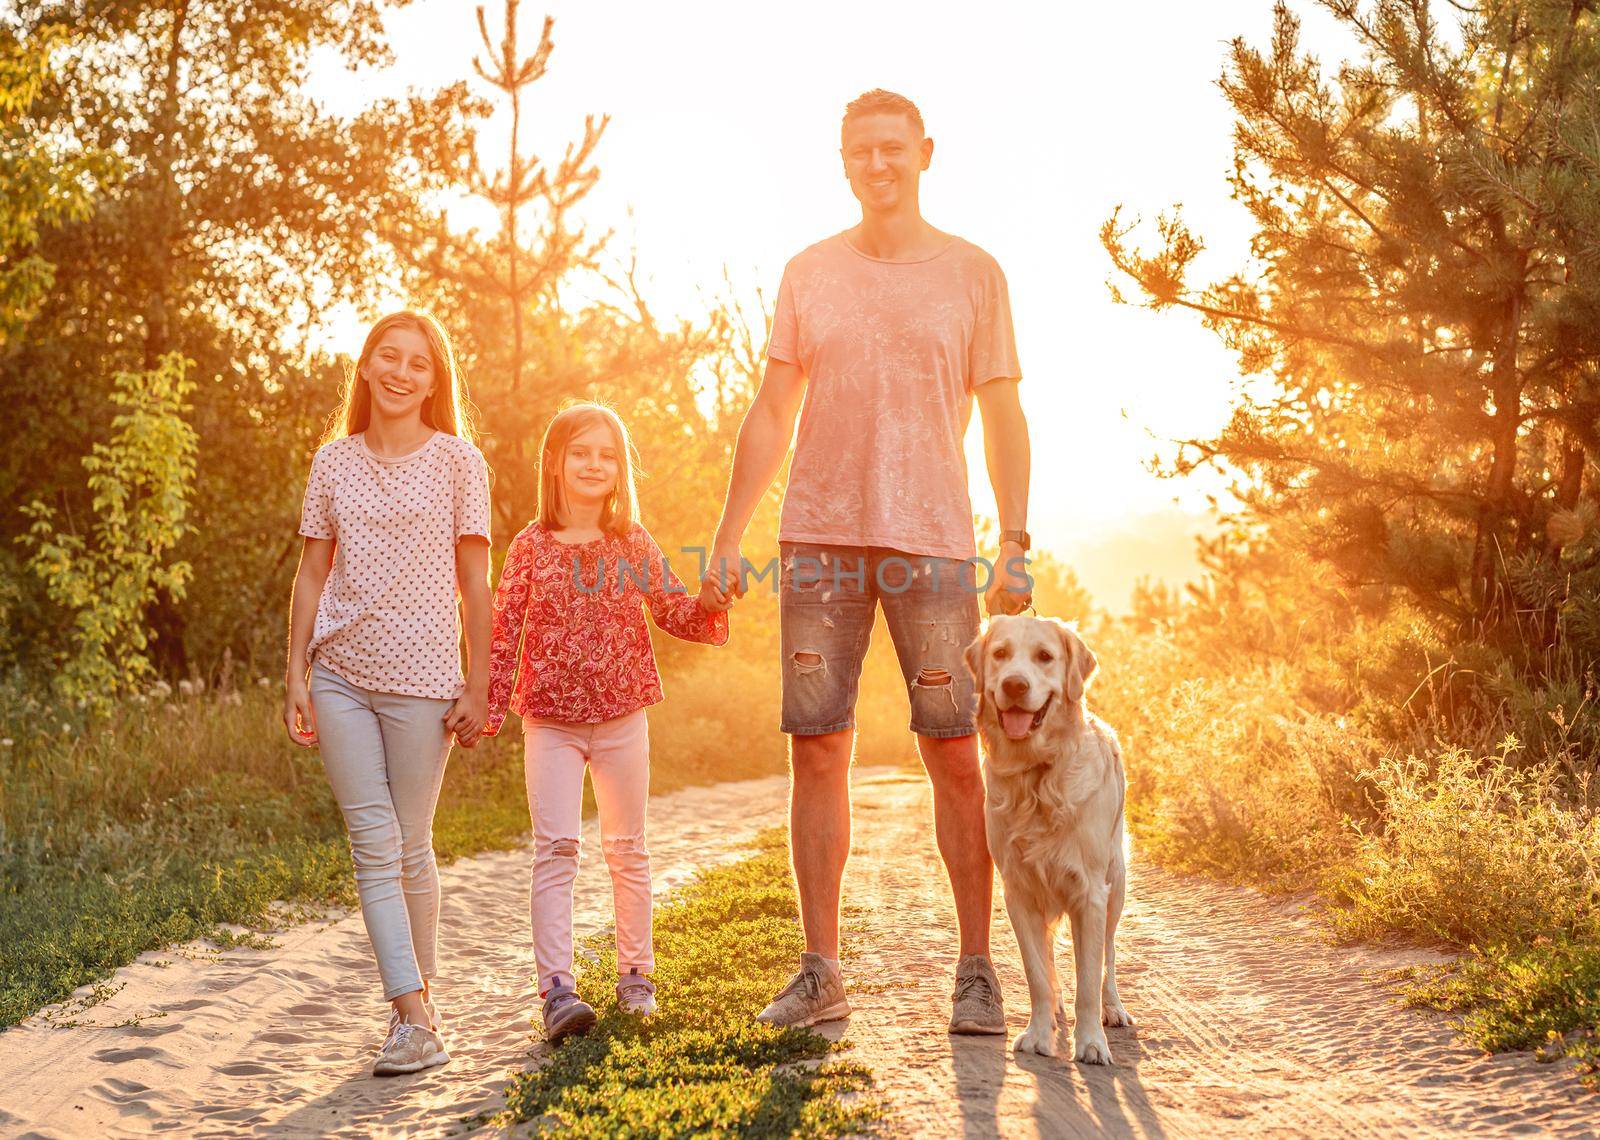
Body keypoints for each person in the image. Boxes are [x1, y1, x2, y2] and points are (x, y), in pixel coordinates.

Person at [700, 89, 1033, 1033]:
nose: (877, 165)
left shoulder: (975, 274)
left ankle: (976, 970)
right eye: (860, 152)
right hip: (818, 540)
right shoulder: (810, 273)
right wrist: (729, 533)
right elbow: (771, 414)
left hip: (934, 541)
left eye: (892, 148)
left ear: (925, 151)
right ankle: (821, 971)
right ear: (843, 161)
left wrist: (1014, 536)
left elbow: (1005, 415)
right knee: (819, 750)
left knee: (954, 752)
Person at [284, 310, 492, 1076]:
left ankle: (421, 1007)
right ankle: (410, 1016)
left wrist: (480, 679)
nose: (403, 373)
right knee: (372, 844)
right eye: (390, 357)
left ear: (435, 383)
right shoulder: (332, 462)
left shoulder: (459, 461)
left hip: (425, 684)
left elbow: (476, 579)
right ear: (366, 367)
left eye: (420, 364)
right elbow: (310, 572)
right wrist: (295, 672)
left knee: (411, 848)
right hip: (339, 674)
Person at [483, 402, 729, 1042]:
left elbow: (675, 611)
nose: (594, 465)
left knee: (627, 849)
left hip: (622, 717)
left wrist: (710, 601)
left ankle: (636, 977)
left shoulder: (631, 543)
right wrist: (483, 708)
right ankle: (557, 992)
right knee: (556, 849)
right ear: (555, 464)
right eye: (581, 453)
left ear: (620, 470)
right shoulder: (530, 548)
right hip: (551, 722)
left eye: (607, 455)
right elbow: (503, 633)